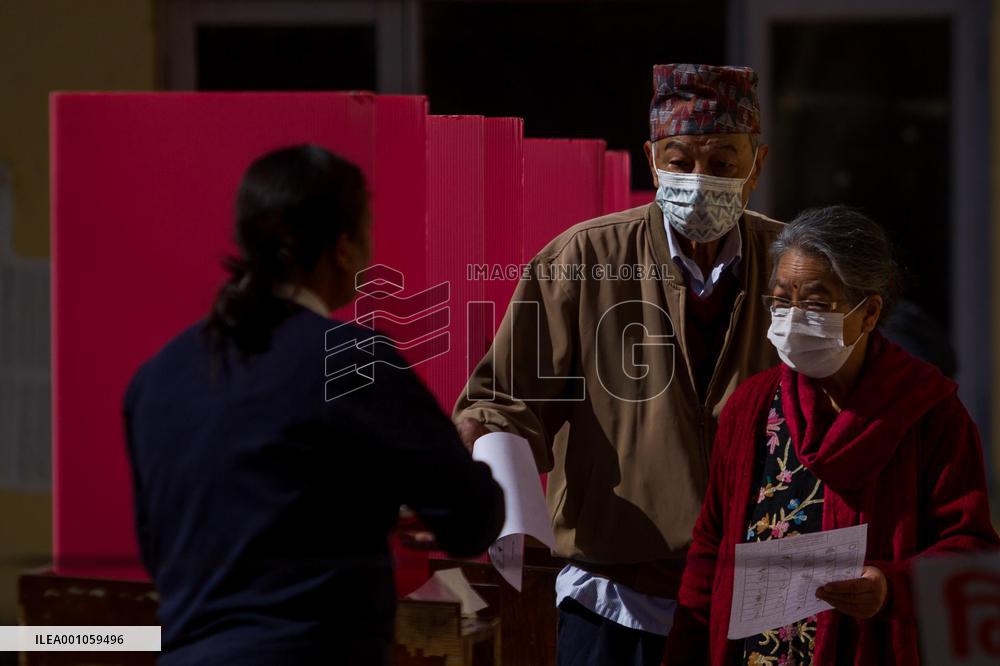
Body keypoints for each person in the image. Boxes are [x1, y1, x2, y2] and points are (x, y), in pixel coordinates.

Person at [123, 144, 504, 666]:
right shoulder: (350, 359)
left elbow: (162, 545)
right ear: (344, 247)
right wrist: (467, 454)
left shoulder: (156, 379)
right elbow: (472, 521)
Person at [454, 64, 782, 665]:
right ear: (651, 161)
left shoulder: (790, 265)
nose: (700, 179)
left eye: (724, 163)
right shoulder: (584, 258)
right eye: (680, 160)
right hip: (616, 598)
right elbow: (501, 403)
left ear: (756, 165)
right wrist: (509, 508)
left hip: (762, 601)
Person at [665, 206, 999, 665]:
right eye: (781, 301)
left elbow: (972, 549)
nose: (793, 318)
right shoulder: (752, 407)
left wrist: (891, 586)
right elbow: (710, 548)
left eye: (817, 304)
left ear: (869, 313)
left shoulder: (929, 414)